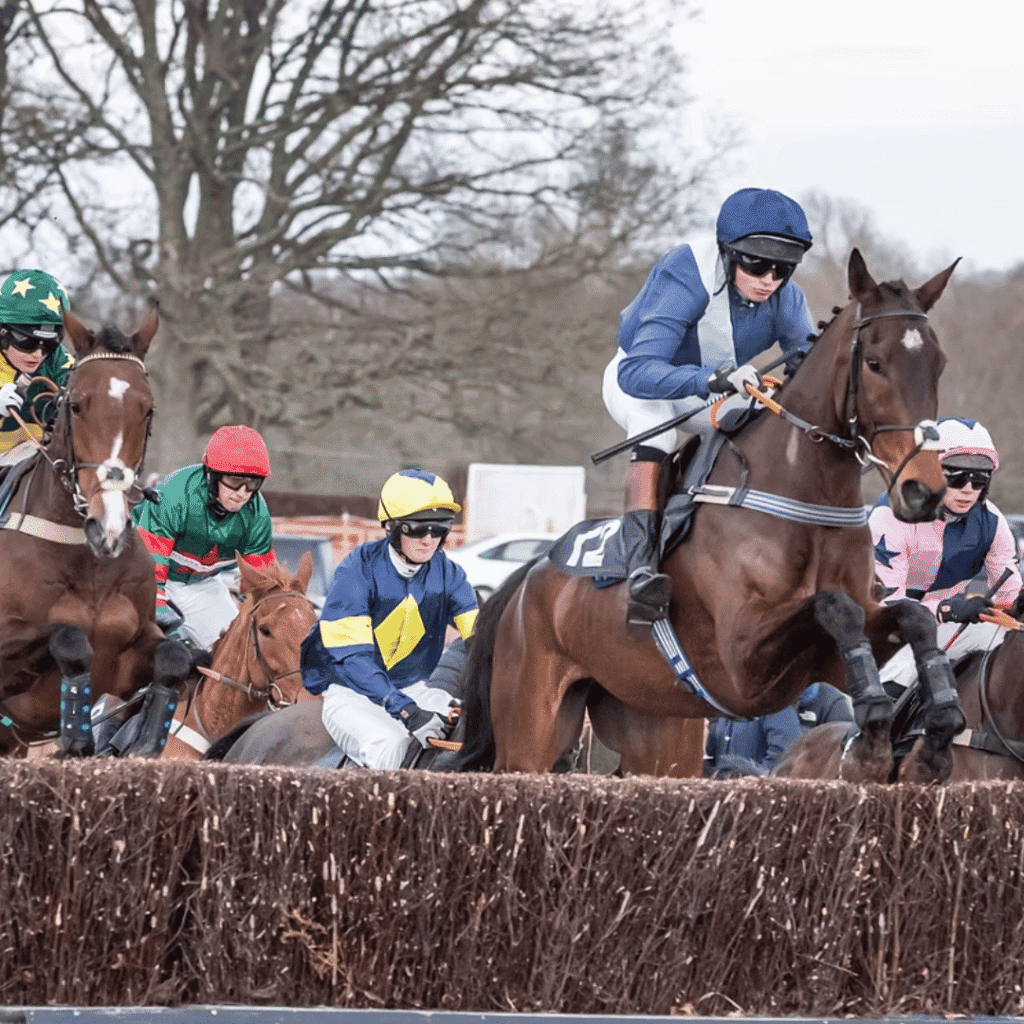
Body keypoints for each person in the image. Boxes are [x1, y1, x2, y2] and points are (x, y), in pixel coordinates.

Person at [602, 187, 816, 629]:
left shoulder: (787, 299)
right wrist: (711, 380)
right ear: (728, 252)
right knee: (656, 425)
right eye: (757, 264)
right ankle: (640, 568)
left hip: (715, 387)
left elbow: (808, 369)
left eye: (783, 269)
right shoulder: (687, 272)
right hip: (644, 382)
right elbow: (637, 372)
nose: (769, 280)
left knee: (758, 422)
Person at [301, 468, 478, 769]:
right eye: (417, 528)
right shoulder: (356, 571)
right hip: (352, 695)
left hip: (415, 689)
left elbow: (478, 640)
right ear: (391, 526)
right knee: (391, 744)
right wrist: (405, 710)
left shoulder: (450, 575)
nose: (429, 540)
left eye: (439, 528)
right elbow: (353, 660)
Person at [871, 416, 1022, 692]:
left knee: (1012, 644)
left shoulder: (993, 522)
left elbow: (1009, 595)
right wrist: (948, 609)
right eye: (957, 475)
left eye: (979, 479)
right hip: (886, 630)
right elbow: (887, 606)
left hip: (944, 625)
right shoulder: (890, 514)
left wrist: (1017, 601)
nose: (968, 489)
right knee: (908, 667)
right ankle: (868, 735)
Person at [133, 424, 275, 650]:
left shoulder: (257, 514)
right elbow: (150, 562)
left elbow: (260, 580)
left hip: (202, 586)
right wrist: (158, 607)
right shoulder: (175, 493)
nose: (242, 493)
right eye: (234, 480)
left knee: (239, 650)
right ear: (211, 475)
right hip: (144, 578)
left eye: (252, 483)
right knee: (156, 650)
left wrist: (250, 610)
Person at [0, 269, 76, 459]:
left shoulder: (60, 363)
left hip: (35, 461)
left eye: (50, 343)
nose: (38, 354)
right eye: (28, 342)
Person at [703, 682, 853, 777]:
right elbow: (712, 759)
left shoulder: (828, 702)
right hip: (726, 800)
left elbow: (782, 768)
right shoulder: (729, 699)